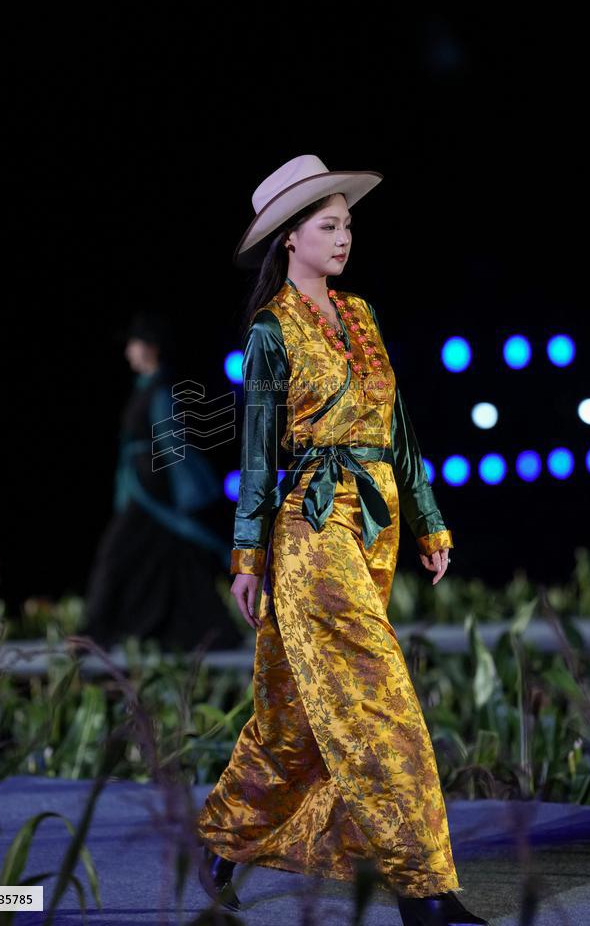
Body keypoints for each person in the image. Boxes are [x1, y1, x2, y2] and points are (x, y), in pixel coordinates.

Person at [195, 156, 489, 925]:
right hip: (311, 530)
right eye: (328, 226)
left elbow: (398, 427)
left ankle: (225, 837)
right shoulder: (270, 330)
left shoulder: (361, 314)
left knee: (292, 724)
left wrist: (427, 518)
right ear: (289, 240)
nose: (344, 237)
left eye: (348, 224)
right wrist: (247, 555)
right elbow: (256, 452)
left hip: (376, 529)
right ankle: (424, 889)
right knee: (382, 699)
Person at [83, 310, 243, 652]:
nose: (128, 351)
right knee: (177, 560)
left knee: (116, 556)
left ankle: (96, 631)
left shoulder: (160, 390)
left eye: (134, 344)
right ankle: (210, 633)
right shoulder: (146, 388)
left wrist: (188, 492)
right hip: (144, 488)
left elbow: (172, 441)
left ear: (151, 348)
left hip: (153, 494)